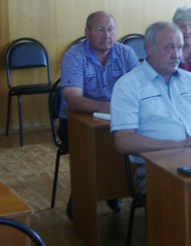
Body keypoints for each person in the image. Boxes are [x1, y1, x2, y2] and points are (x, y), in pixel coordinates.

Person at [111, 21, 191, 192]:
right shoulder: (128, 85)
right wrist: (180, 144)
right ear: (149, 49)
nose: (177, 55)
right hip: (157, 167)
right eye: (169, 48)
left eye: (180, 47)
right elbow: (124, 142)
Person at [60, 11, 140, 217]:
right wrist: (110, 107)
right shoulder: (74, 56)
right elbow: (73, 99)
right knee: (98, 147)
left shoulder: (126, 54)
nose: (107, 35)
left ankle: (116, 189)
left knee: (140, 138)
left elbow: (141, 91)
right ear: (87, 33)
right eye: (100, 29)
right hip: (75, 125)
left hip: (117, 121)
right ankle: (81, 196)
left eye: (111, 29)